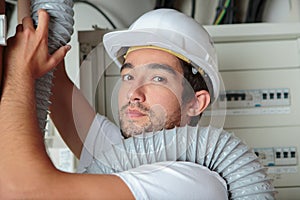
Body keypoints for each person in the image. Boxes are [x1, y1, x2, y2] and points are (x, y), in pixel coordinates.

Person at [0, 3, 232, 199]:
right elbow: (52, 74)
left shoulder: (193, 184)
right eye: (129, 76)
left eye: (158, 78)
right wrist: (29, 22)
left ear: (195, 103)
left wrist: (18, 72)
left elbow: (21, 190)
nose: (134, 93)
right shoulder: (118, 153)